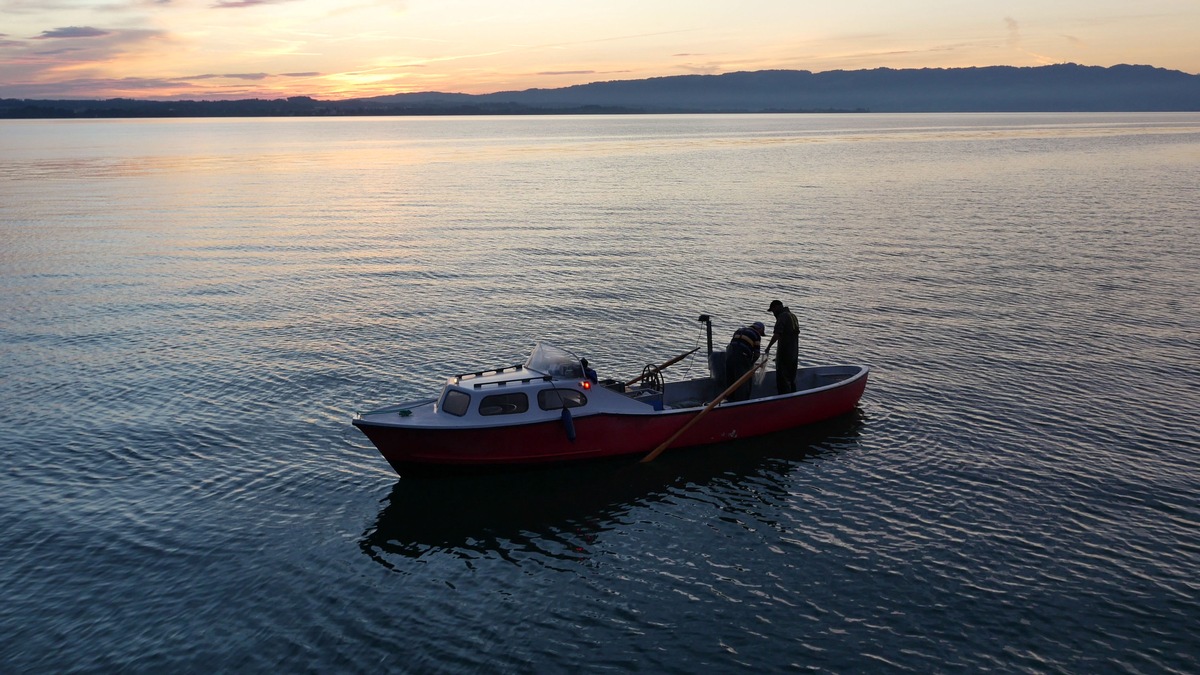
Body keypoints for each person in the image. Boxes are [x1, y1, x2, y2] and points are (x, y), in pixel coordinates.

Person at [765, 299, 800, 395]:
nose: (773, 313)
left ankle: (783, 399)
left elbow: (777, 334)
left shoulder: (782, 316)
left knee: (782, 379)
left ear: (776, 307)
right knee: (791, 378)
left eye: (772, 310)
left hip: (785, 353)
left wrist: (768, 348)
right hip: (794, 353)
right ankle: (793, 398)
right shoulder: (793, 316)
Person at [725, 321, 765, 402]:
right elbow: (757, 354)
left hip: (729, 357)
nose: (761, 334)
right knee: (743, 382)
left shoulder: (739, 330)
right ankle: (741, 403)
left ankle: (729, 401)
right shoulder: (756, 334)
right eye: (761, 333)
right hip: (742, 357)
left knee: (731, 380)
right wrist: (751, 364)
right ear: (760, 329)